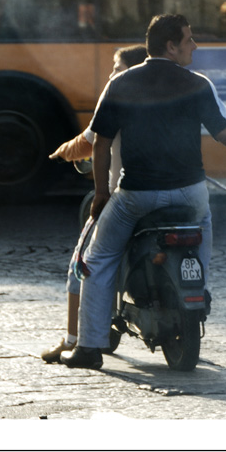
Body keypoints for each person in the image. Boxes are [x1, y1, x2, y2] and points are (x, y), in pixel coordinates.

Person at [60, 14, 226, 369]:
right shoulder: (197, 84)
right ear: (170, 46)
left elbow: (101, 144)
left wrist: (100, 194)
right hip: (189, 195)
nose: (195, 46)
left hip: (136, 196)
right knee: (201, 238)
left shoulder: (122, 83)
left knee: (97, 259)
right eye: (189, 40)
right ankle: (195, 292)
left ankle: (89, 348)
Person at [41, 44, 148, 363]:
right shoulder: (165, 97)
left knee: (83, 265)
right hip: (172, 196)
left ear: (129, 69)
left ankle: (75, 339)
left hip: (124, 197)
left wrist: (62, 151)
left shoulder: (117, 96)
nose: (111, 72)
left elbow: (89, 143)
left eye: (116, 66)